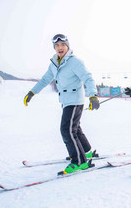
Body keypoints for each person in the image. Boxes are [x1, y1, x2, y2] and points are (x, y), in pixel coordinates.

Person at [23, 34, 100, 174]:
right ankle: (86, 152)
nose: (60, 48)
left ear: (68, 46)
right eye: (57, 46)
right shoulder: (54, 63)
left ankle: (79, 161)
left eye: (62, 45)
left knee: (66, 130)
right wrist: (32, 92)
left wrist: (93, 95)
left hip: (75, 100)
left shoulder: (75, 62)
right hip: (65, 101)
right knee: (75, 128)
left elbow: (88, 78)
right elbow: (45, 79)